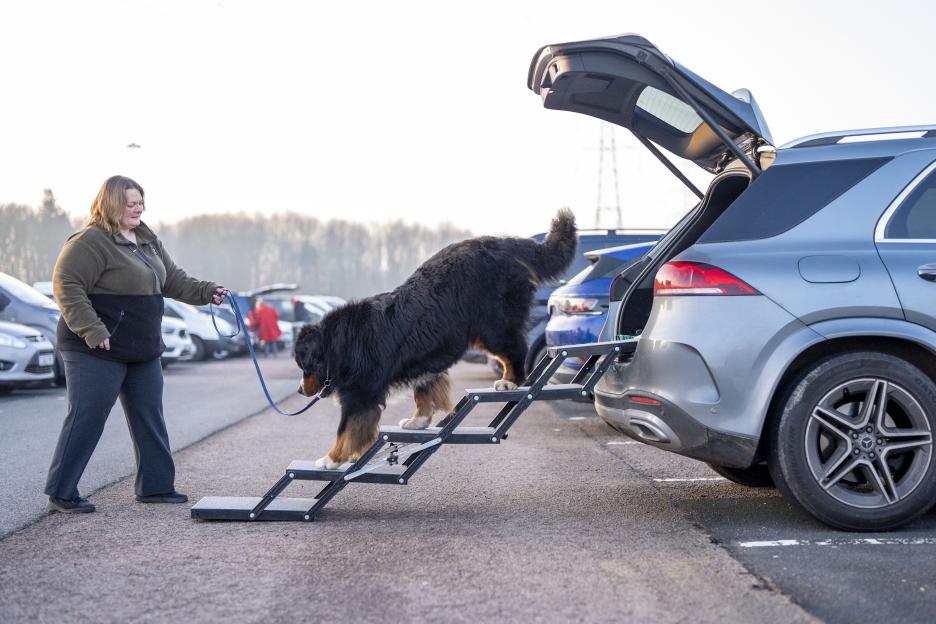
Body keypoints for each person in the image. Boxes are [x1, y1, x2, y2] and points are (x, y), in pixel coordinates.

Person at [44, 175, 225, 513]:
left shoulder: (147, 240)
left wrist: (207, 292)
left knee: (149, 416)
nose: (138, 207)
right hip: (95, 348)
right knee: (87, 416)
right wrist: (93, 330)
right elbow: (66, 285)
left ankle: (155, 488)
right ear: (111, 204)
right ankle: (61, 491)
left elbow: (173, 280)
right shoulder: (90, 241)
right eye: (130, 203)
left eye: (140, 201)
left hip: (141, 347)